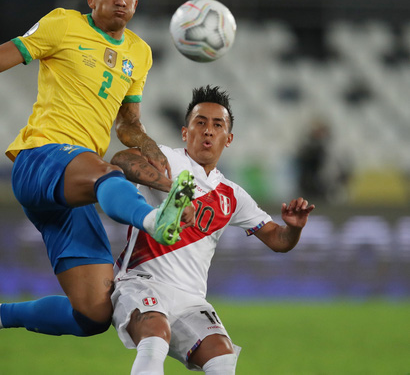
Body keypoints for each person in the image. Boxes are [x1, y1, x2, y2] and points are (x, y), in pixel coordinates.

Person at [0, 0, 196, 368]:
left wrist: (159, 158)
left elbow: (129, 126)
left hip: (75, 186)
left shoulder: (139, 53)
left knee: (93, 314)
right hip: (41, 159)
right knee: (107, 172)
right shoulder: (63, 24)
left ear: (136, 5)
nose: (120, 0)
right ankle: (152, 220)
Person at [110, 85, 315, 374]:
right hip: (142, 282)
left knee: (221, 355)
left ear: (228, 138)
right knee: (155, 334)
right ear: (185, 132)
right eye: (200, 122)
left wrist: (293, 229)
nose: (208, 131)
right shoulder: (167, 159)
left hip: (191, 299)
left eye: (217, 125)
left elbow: (278, 240)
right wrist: (174, 192)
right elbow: (122, 159)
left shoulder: (232, 195)